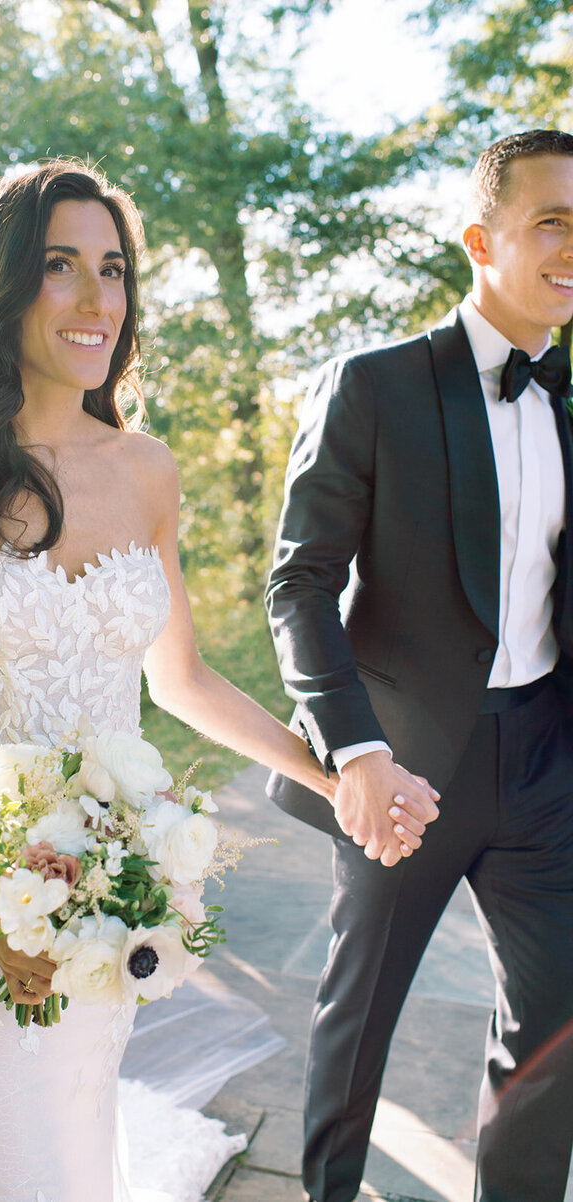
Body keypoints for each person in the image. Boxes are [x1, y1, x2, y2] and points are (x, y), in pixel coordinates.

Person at [0, 159, 430, 1202]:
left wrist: (339, 777)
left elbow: (182, 679)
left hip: (106, 910)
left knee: (76, 1165)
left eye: (113, 269)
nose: (97, 298)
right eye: (60, 266)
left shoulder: (146, 469)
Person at [266, 128, 573, 1202]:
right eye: (552, 222)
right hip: (405, 765)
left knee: (553, 1030)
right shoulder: (373, 385)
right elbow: (299, 582)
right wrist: (354, 753)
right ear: (479, 240)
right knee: (359, 1019)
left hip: (545, 761)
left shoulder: (566, 396)